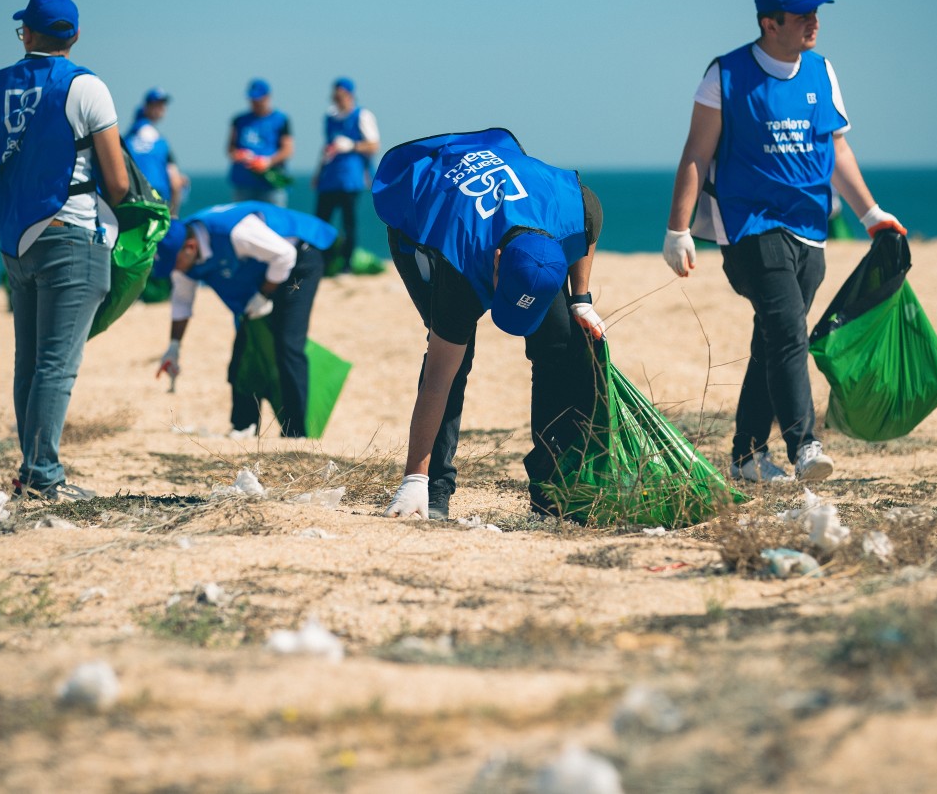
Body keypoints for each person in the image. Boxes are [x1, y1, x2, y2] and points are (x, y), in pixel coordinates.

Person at [662, 0, 906, 485]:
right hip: (750, 226)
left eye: (815, 13)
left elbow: (836, 150)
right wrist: (678, 230)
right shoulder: (725, 76)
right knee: (788, 330)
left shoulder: (822, 72)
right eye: (802, 15)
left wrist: (870, 214)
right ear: (770, 24)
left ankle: (747, 456)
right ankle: (804, 443)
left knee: (773, 339)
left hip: (809, 227)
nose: (813, 22)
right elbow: (696, 153)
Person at [372, 128, 607, 521]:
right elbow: (438, 378)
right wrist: (413, 477)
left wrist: (581, 300)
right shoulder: (459, 265)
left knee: (559, 344)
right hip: (415, 212)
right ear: (496, 263)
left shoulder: (576, 206)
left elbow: (589, 226)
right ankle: (432, 487)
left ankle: (552, 492)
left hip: (518, 215)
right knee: (451, 357)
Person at [0, 0, 129, 500]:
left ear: (27, 33)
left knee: (30, 363)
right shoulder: (87, 87)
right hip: (72, 235)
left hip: (18, 241)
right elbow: (118, 183)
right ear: (74, 35)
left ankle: (33, 469)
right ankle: (42, 477)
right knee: (56, 365)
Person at [152, 203, 337, 438]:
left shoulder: (236, 232)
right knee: (248, 340)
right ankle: (244, 424)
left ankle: (296, 432)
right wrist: (174, 347)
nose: (173, 271)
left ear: (190, 247)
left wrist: (263, 295)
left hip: (299, 261)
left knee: (287, 341)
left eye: (173, 264)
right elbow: (182, 302)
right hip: (265, 271)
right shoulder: (182, 255)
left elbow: (284, 255)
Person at [315, 78, 380, 273]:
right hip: (330, 177)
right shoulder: (330, 117)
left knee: (348, 222)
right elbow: (326, 147)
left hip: (351, 177)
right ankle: (323, 261)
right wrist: (318, 172)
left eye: (341, 95)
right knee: (321, 220)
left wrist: (351, 145)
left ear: (350, 95)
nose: (338, 99)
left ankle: (346, 263)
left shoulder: (362, 115)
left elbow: (374, 145)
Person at [228, 79, 293, 206]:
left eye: (258, 99)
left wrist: (267, 161)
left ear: (267, 97)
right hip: (244, 182)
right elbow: (231, 148)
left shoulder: (280, 119)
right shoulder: (239, 120)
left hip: (270, 183)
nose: (255, 103)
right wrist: (240, 155)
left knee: (273, 221)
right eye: (252, 99)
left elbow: (288, 150)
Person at [126, 88, 189, 216]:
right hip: (156, 199)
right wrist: (173, 214)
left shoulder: (127, 140)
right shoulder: (160, 143)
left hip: (129, 200)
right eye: (157, 105)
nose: (161, 109)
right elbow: (175, 182)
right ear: (146, 108)